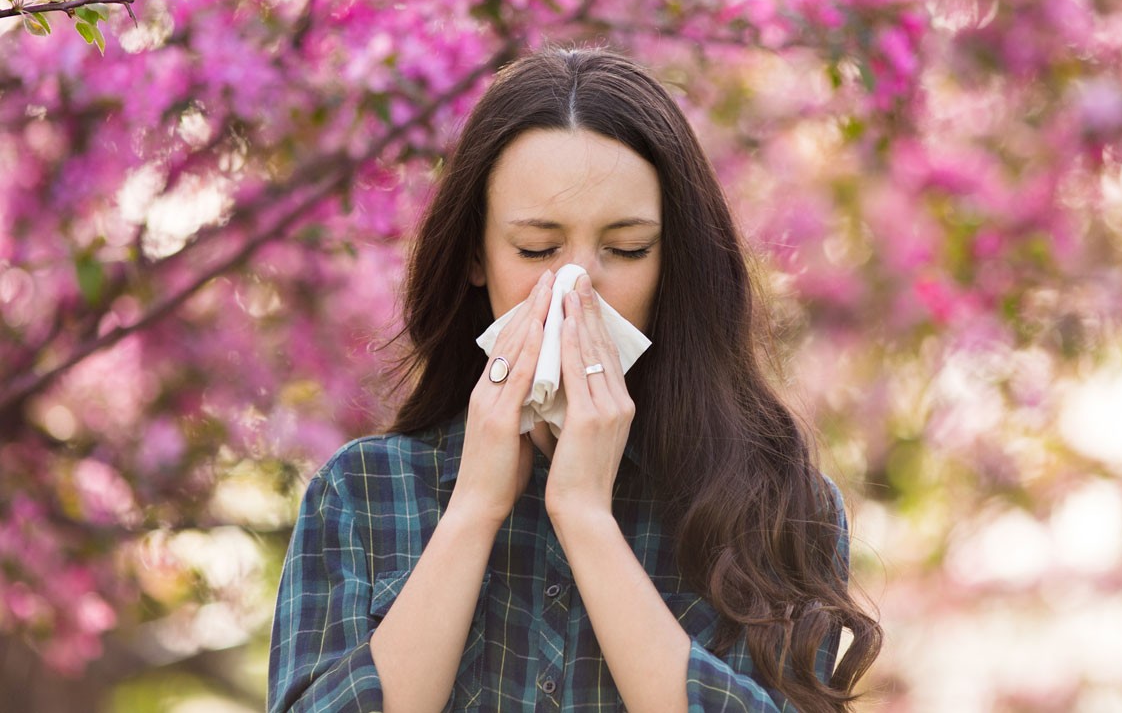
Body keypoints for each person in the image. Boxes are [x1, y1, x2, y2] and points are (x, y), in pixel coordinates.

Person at [268, 48, 882, 712]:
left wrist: (587, 518)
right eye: (537, 249)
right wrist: (473, 509)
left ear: (672, 261)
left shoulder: (776, 508)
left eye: (626, 250)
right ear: (476, 254)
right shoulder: (363, 495)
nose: (576, 287)